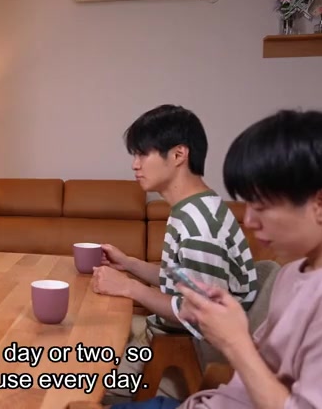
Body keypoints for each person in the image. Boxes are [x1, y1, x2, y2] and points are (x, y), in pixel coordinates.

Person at [112, 109, 322, 408]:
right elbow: (256, 374)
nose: (250, 221)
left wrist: (234, 342)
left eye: (261, 205)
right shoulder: (294, 273)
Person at [93, 104, 258, 401]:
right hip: (161, 338)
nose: (135, 165)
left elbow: (201, 314)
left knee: (71, 379)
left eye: (143, 154)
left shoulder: (199, 226)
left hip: (179, 352)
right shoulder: (194, 208)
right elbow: (184, 281)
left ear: (179, 155)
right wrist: (130, 264)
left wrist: (130, 288)